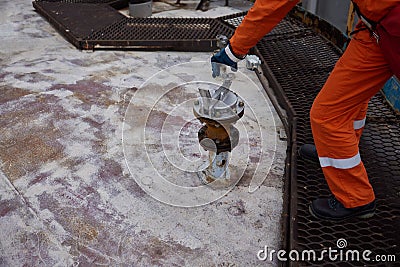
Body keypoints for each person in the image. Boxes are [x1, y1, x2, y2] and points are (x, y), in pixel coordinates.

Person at [211, 0, 400, 221]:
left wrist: (235, 49)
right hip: (375, 29)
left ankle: (355, 198)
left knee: (326, 116)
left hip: (392, 29)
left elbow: (273, 5)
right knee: (348, 99)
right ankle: (341, 153)